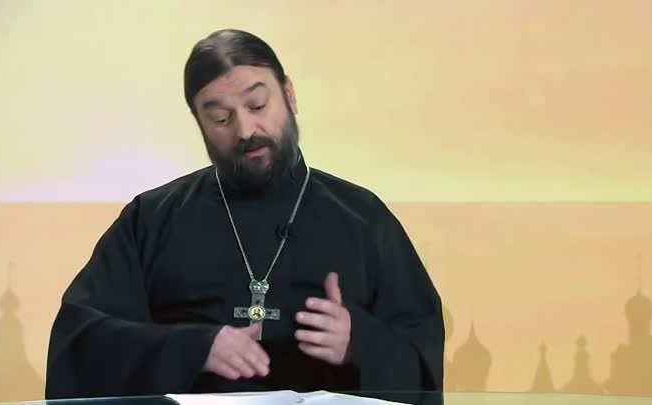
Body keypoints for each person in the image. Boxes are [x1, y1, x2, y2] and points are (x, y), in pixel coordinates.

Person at [44, 29, 444, 405]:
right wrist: (191, 349)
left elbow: (421, 355)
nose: (245, 130)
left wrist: (360, 344)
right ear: (199, 123)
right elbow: (80, 341)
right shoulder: (151, 219)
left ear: (289, 94)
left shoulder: (363, 218)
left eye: (257, 105)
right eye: (221, 118)